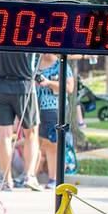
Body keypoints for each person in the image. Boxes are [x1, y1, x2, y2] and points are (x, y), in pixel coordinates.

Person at [0, 51, 41, 191]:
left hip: (2, 85)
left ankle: (7, 180)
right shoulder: (31, 31)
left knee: (4, 136)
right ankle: (30, 175)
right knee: (31, 134)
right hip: (24, 84)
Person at [36, 53, 74, 190]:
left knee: (52, 144)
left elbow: (69, 88)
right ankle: (31, 175)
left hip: (54, 108)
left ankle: (54, 178)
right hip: (35, 108)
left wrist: (49, 83)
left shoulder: (61, 66)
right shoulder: (34, 63)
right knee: (39, 144)